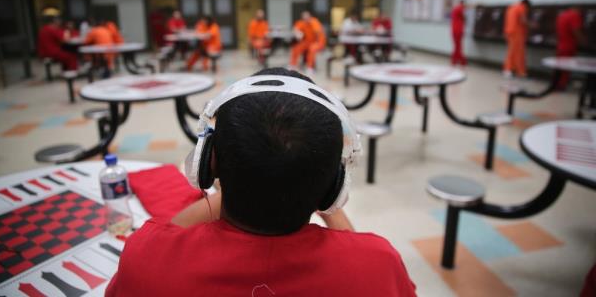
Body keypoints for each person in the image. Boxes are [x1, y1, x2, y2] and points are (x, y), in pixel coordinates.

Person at [105, 67, 417, 297]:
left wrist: (232, 182)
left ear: (207, 161)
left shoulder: (146, 258)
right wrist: (324, 197)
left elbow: (171, 232)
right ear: (335, 185)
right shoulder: (378, 268)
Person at [555, 6, 585, 89]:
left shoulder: (562, 15)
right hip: (569, 45)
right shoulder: (575, 16)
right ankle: (562, 85)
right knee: (566, 67)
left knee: (560, 66)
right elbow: (576, 30)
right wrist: (584, 41)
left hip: (561, 44)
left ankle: (557, 83)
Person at [503, 0, 531, 78]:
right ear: (526, 4)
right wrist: (531, 24)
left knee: (512, 51)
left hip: (510, 32)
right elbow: (523, 20)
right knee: (517, 53)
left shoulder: (512, 7)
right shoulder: (522, 7)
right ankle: (511, 70)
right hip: (517, 33)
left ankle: (511, 69)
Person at [450, 0, 467, 66]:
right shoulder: (460, 9)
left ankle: (455, 60)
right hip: (458, 30)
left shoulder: (455, 8)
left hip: (454, 30)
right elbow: (464, 17)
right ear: (462, 3)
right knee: (459, 46)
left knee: (456, 46)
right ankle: (461, 61)